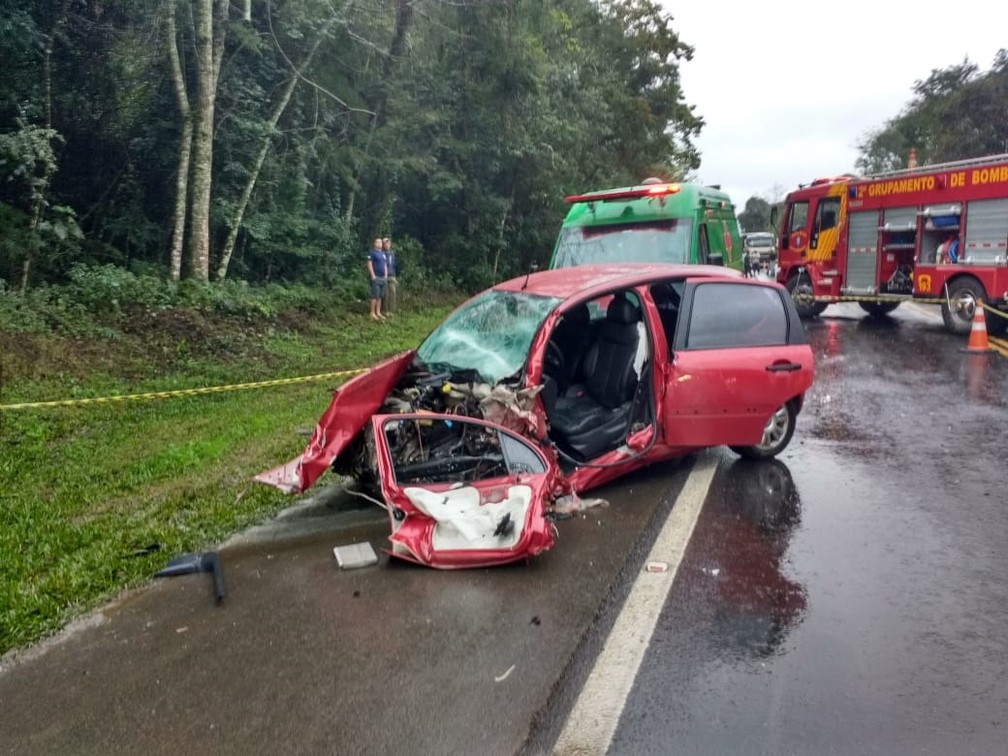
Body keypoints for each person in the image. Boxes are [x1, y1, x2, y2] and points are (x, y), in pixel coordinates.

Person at [366, 237, 388, 321]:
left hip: (383, 278)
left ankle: (378, 312)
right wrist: (373, 275)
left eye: (381, 243)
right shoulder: (372, 252)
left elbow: (385, 265)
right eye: (378, 242)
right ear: (374, 244)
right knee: (375, 295)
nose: (380, 244)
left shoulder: (383, 253)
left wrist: (386, 275)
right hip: (376, 277)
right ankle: (372, 313)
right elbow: (369, 264)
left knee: (380, 296)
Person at [381, 237, 398, 316]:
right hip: (383, 275)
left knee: (393, 292)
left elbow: (393, 264)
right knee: (385, 293)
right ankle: (385, 310)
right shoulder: (381, 253)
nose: (387, 245)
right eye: (385, 243)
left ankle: (392, 310)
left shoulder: (392, 253)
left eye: (388, 243)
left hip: (392, 275)